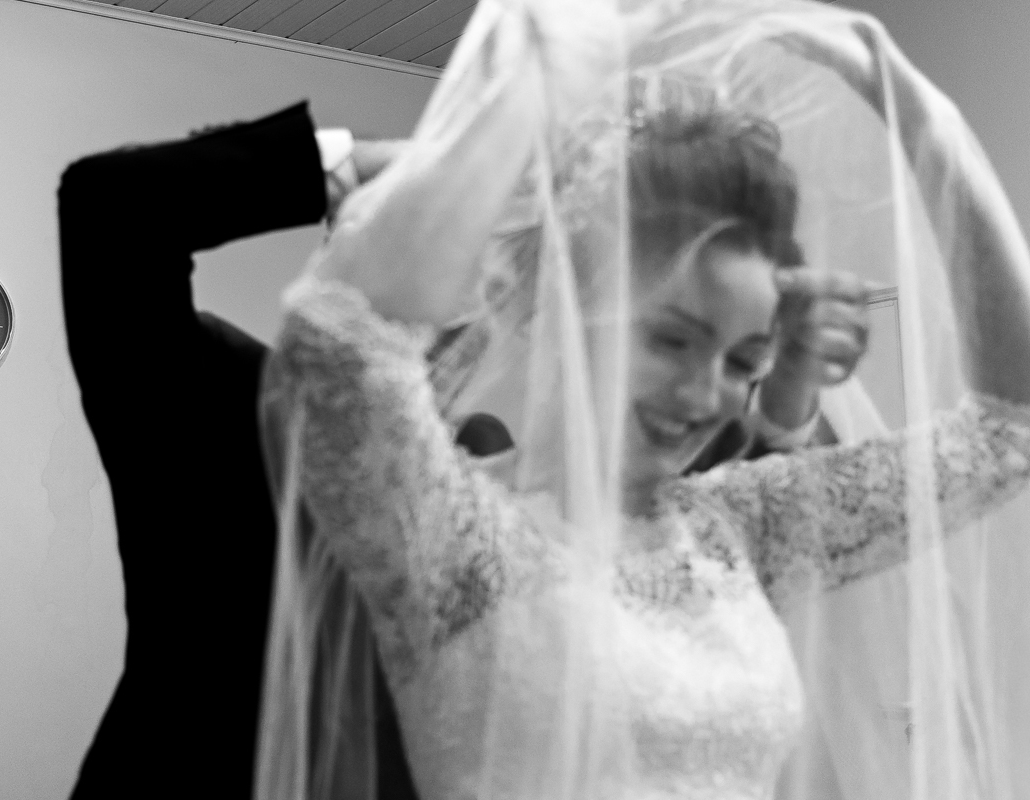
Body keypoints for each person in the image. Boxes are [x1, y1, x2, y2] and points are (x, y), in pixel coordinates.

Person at [256, 1, 1030, 798]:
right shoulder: (453, 535)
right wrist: (522, 100)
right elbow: (339, 342)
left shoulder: (741, 529)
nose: (706, 395)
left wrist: (923, 120)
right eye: (671, 340)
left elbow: (1009, 431)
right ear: (565, 304)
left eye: (744, 360)